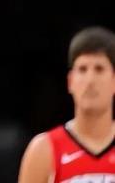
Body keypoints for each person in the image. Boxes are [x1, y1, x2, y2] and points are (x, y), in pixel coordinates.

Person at [18, 26, 115, 183]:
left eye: (99, 69)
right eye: (82, 69)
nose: (90, 80)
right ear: (70, 82)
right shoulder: (44, 149)